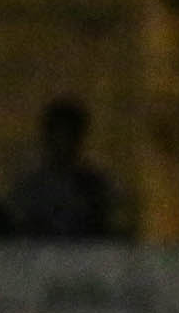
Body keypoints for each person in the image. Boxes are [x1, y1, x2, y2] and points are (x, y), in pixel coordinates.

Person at [7, 97, 115, 238]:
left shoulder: (94, 185)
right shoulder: (31, 187)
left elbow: (105, 228)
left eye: (68, 135)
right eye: (58, 135)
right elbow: (18, 229)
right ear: (47, 138)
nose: (63, 143)